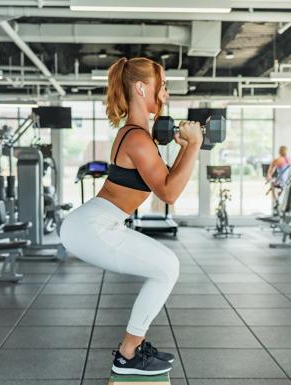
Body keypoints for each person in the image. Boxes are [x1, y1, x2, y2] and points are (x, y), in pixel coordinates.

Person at [59, 57, 202, 376]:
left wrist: (185, 148)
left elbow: (166, 180)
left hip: (96, 223)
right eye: (162, 84)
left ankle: (132, 349)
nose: (165, 92)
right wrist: (193, 146)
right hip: (93, 227)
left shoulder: (138, 135)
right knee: (167, 267)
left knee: (165, 267)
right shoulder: (137, 138)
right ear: (141, 87)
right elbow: (169, 193)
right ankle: (128, 354)